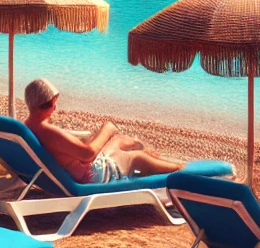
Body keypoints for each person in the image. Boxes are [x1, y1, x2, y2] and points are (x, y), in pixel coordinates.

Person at [23, 78, 183, 182]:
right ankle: (179, 170)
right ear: (50, 103)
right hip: (93, 175)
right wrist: (107, 129)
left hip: (77, 170)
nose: (56, 106)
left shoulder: (28, 126)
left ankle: (154, 157)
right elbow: (88, 154)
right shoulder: (48, 131)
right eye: (54, 102)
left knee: (120, 140)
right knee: (136, 157)